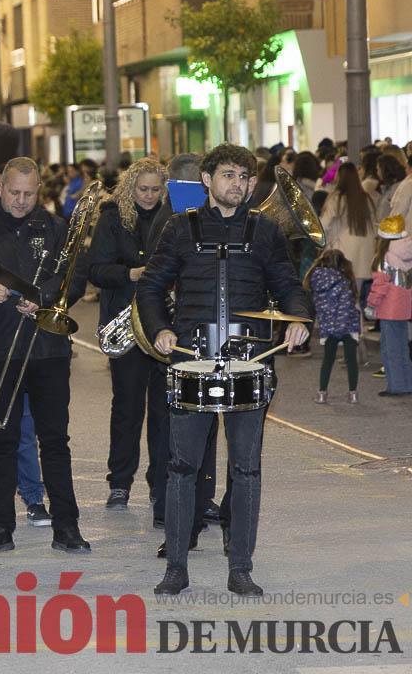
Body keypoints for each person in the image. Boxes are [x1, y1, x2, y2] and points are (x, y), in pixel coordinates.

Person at [137, 143, 311, 597]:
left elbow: (289, 286)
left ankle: (241, 569)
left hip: (249, 360)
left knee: (247, 468)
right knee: (181, 467)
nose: (239, 184)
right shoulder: (179, 228)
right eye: (230, 175)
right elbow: (151, 288)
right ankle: (176, 567)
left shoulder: (266, 230)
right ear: (207, 181)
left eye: (245, 178)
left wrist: (296, 319)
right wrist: (158, 330)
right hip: (190, 359)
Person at [0, 157, 92, 557]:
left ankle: (67, 526)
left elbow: (76, 279)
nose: (21, 200)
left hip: (48, 349)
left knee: (55, 440)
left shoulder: (54, 227)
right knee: (0, 439)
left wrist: (44, 297)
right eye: (14, 192)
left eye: (29, 194)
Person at [86, 158, 171, 511]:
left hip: (164, 324)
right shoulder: (110, 218)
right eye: (143, 189)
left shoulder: (174, 219)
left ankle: (161, 483)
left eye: (155, 189)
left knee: (165, 411)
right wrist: (131, 274)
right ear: (129, 188)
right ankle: (119, 482)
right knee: (126, 408)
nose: (149, 196)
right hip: (125, 324)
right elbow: (95, 270)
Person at [306, 248, 361, 404]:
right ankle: (353, 394)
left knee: (327, 361)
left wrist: (330, 328)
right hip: (347, 326)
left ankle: (322, 393)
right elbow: (345, 307)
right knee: (351, 360)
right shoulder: (345, 281)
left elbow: (320, 309)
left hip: (328, 328)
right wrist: (341, 328)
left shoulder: (317, 281)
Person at [320, 162, 376, 308]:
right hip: (365, 254)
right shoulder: (366, 198)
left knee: (342, 296)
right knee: (355, 296)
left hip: (343, 253)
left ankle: (346, 329)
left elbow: (323, 225)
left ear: (339, 177)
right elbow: (375, 226)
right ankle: (357, 329)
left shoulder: (335, 199)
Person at [367, 217, 412, 397]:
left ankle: (396, 386)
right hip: (404, 308)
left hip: (389, 310)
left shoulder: (383, 257)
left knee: (390, 349)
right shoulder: (408, 254)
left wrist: (371, 305)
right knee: (402, 348)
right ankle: (407, 383)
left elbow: (380, 286)